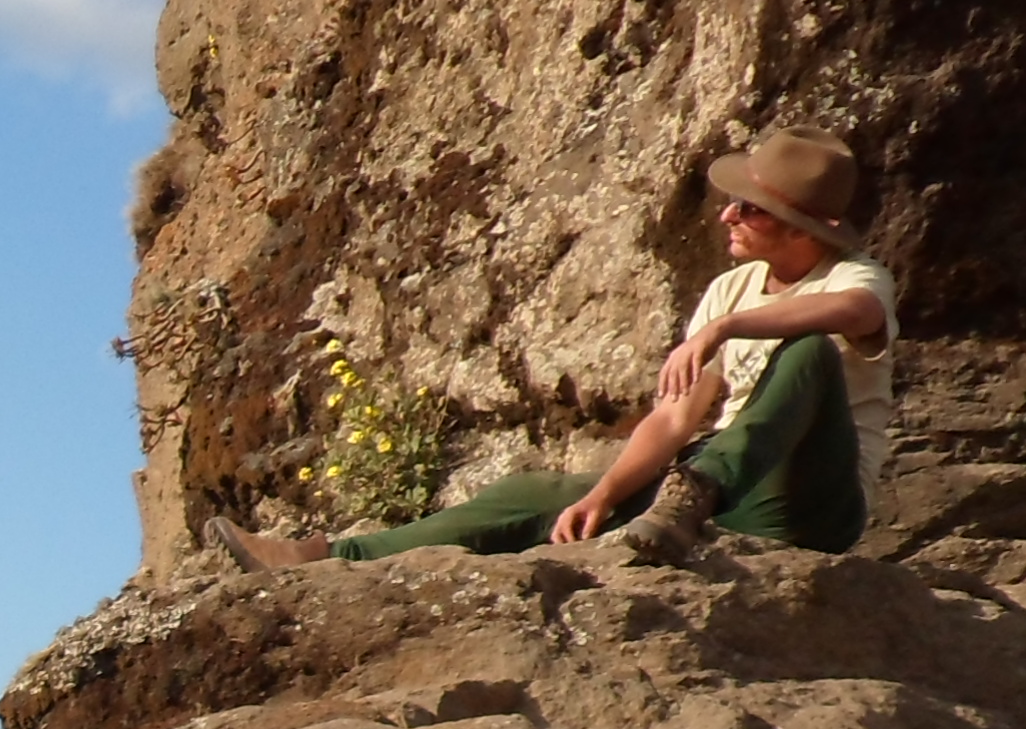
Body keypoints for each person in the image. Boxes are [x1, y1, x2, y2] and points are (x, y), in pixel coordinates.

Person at [215, 131, 901, 567]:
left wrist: (725, 330)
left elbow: (857, 313)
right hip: (727, 500)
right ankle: (329, 556)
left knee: (807, 351)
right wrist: (602, 494)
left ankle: (690, 496)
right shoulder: (732, 287)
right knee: (537, 493)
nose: (727, 214)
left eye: (748, 208)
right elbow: (673, 418)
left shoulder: (854, 277)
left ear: (800, 228)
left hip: (814, 505)